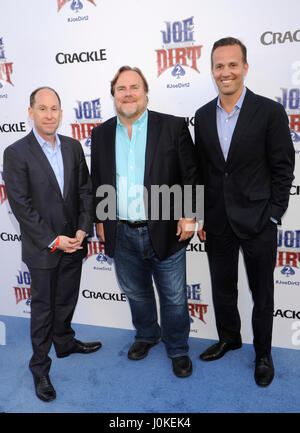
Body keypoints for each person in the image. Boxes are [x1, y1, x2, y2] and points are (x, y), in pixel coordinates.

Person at [194, 37, 295, 386]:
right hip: (218, 221)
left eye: (232, 64)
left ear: (245, 68)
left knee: (262, 292)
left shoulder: (269, 112)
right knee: (223, 288)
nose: (226, 72)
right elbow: (205, 170)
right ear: (212, 71)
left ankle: (263, 353)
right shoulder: (203, 116)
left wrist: (273, 213)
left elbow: (283, 168)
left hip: (258, 221)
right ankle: (229, 337)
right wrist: (202, 215)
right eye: (219, 66)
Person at [91, 66, 199, 378]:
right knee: (136, 293)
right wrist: (101, 218)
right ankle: (147, 335)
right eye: (121, 88)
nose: (128, 93)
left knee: (175, 298)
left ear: (145, 92)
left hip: (166, 230)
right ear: (113, 95)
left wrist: (189, 215)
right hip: (121, 231)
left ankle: (178, 347)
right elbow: (98, 178)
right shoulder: (100, 134)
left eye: (134, 87)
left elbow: (191, 173)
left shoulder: (172, 126)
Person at [3, 87, 102, 402]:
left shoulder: (73, 147)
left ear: (61, 113)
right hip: (44, 247)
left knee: (67, 299)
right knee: (44, 309)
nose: (49, 115)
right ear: (30, 112)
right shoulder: (16, 153)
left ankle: (65, 342)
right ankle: (40, 367)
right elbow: (21, 205)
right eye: (42, 109)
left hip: (74, 242)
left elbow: (85, 192)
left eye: (55, 109)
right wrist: (52, 239)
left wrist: (83, 230)